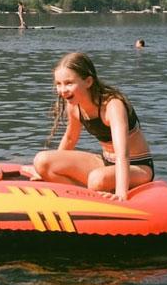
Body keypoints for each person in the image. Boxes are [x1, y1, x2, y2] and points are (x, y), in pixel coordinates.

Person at [25, 53, 154, 201]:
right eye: (58, 84)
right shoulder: (74, 106)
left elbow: (122, 153)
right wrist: (47, 170)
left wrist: (120, 193)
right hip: (106, 162)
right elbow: (70, 138)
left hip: (138, 167)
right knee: (41, 161)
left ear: (88, 81)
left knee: (96, 179)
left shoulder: (112, 106)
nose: (62, 90)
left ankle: (96, 192)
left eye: (69, 83)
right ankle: (81, 195)